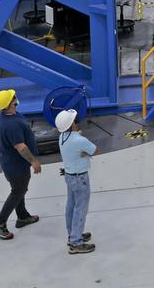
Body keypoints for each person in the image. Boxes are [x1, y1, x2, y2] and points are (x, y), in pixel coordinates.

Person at [0, 89, 40, 240]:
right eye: (13, 97)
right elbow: (21, 147)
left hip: (11, 162)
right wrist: (34, 161)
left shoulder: (5, 116)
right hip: (16, 166)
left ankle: (22, 216)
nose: (16, 98)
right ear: (9, 104)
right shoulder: (11, 124)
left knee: (20, 190)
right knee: (18, 191)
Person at [55, 109, 96, 254]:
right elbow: (94, 150)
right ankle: (76, 242)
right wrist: (84, 152)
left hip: (70, 176)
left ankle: (72, 234)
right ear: (72, 124)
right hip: (80, 178)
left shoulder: (62, 137)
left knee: (71, 205)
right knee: (81, 208)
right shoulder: (79, 140)